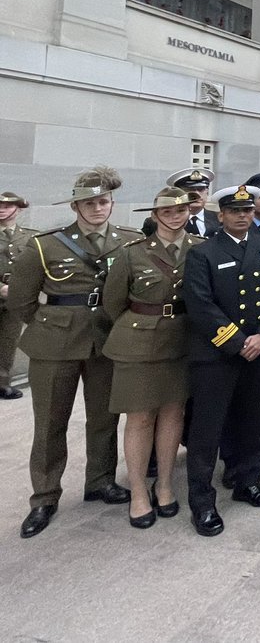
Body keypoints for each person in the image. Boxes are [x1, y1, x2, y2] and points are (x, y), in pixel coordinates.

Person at [9, 167, 136, 539]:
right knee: (50, 422)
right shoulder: (44, 245)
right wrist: (53, 323)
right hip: (55, 344)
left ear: (112, 203)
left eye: (104, 201)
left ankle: (100, 481)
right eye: (90, 203)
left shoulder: (126, 241)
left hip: (105, 342)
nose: (98, 208)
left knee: (104, 417)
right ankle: (44, 497)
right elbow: (21, 302)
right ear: (76, 205)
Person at [182, 184, 260, 537]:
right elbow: (199, 303)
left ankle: (247, 481)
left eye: (247, 210)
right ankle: (202, 501)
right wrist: (239, 341)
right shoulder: (203, 252)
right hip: (217, 353)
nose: (243, 215)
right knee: (207, 429)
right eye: (235, 211)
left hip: (258, 349)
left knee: (251, 419)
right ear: (221, 215)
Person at [102, 186, 198, 528]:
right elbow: (113, 303)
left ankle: (167, 483)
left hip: (182, 340)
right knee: (141, 417)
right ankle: (139, 490)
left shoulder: (199, 249)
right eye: (167, 212)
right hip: (138, 343)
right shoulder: (132, 253)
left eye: (181, 210)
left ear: (189, 213)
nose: (175, 216)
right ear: (154, 216)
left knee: (174, 413)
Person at [0, 189, 37, 400]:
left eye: (7, 206)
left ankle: (3, 383)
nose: (2, 210)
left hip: (15, 297)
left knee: (8, 341)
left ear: (19, 209)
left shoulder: (29, 236)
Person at [167, 168, 219, 238]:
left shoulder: (220, 219)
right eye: (190, 189)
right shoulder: (166, 221)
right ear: (178, 194)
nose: (197, 193)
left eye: (201, 189)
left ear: (207, 192)